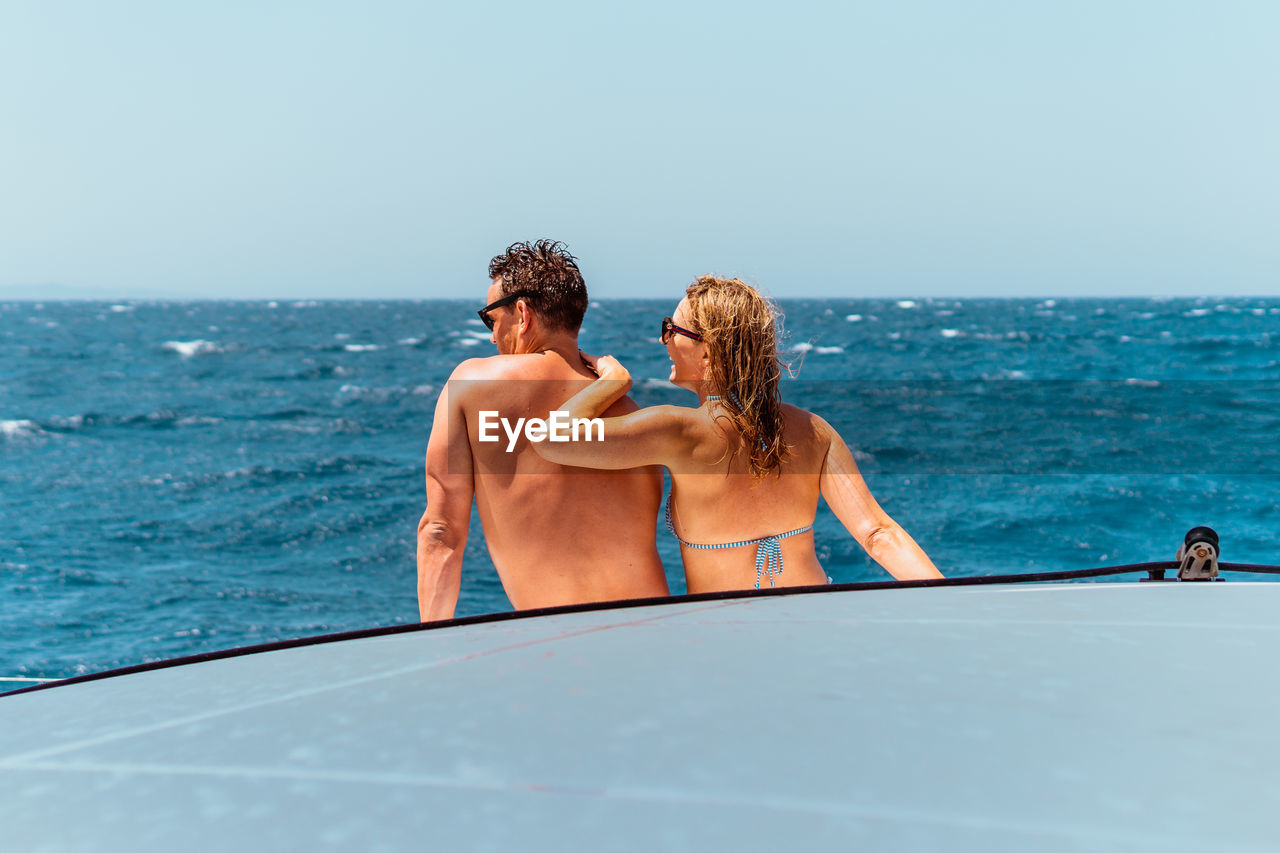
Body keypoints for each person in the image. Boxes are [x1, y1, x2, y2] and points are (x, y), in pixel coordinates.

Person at [533, 275, 943, 592]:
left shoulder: (677, 430)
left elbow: (551, 439)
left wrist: (612, 382)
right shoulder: (816, 432)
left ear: (708, 352)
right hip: (812, 622)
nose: (664, 340)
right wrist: (957, 606)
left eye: (670, 329)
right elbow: (878, 535)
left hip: (723, 637)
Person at [416, 240, 669, 620]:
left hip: (559, 644)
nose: (491, 335)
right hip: (655, 631)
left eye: (491, 319)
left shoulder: (473, 385)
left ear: (522, 313)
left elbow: (441, 531)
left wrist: (430, 648)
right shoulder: (632, 415)